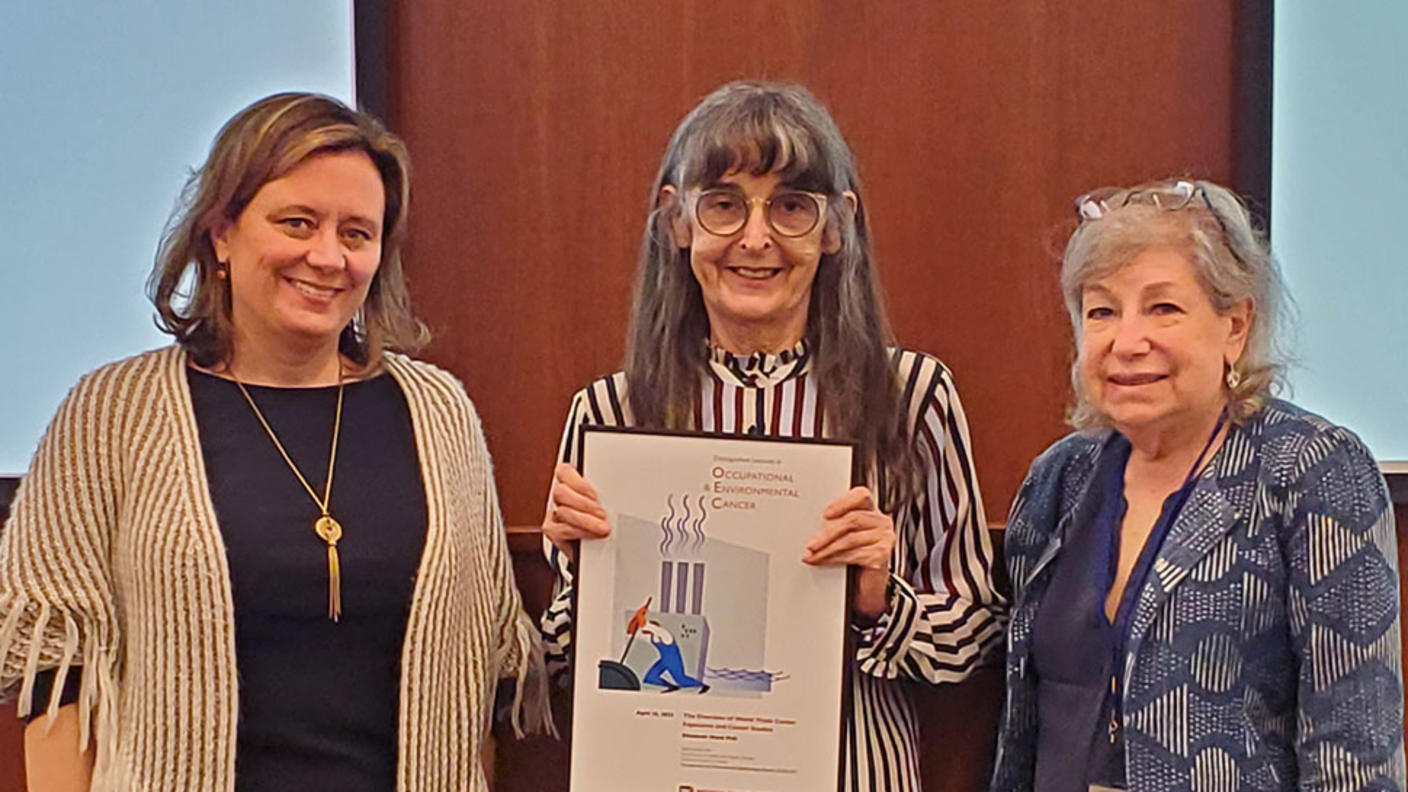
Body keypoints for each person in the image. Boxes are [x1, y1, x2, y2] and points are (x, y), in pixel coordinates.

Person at [0, 92, 548, 792]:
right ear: (221, 232)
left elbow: (484, 679)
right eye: (297, 223)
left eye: (357, 233)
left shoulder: (441, 414)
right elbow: (56, 676)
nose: (327, 256)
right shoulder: (109, 415)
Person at [539, 80, 1004, 792]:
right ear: (677, 221)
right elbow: (566, 665)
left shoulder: (912, 396)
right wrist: (590, 583)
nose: (755, 239)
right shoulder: (609, 412)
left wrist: (880, 598)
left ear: (836, 227)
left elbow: (975, 634)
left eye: (790, 207)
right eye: (724, 205)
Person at [990, 178, 1404, 791]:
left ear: (1235, 326)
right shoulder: (1060, 478)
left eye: (1163, 308)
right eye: (1102, 311)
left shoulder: (1311, 470)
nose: (1127, 342)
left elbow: (1354, 748)